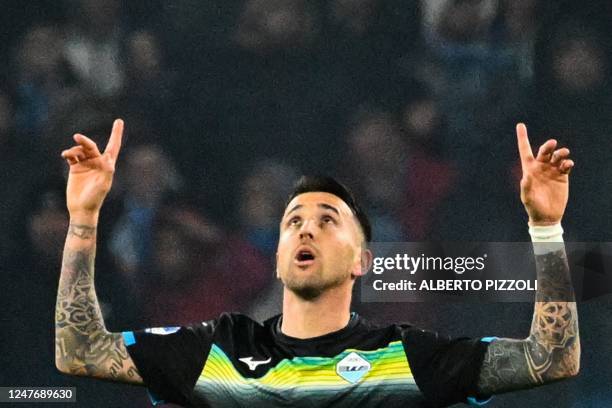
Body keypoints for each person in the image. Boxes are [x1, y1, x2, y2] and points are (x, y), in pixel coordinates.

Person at [55, 119, 579, 407]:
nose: (306, 228)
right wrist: (83, 220)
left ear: (362, 261)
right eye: (292, 222)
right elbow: (78, 352)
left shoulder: (406, 357)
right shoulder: (216, 350)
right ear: (279, 258)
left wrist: (546, 229)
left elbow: (552, 359)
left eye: (328, 220)